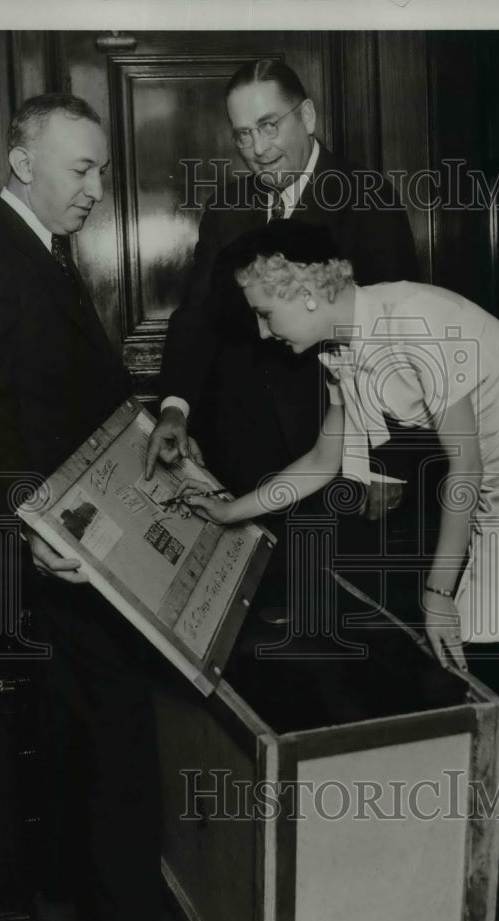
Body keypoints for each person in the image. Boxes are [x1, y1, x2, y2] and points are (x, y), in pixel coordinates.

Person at [175, 219, 499, 919]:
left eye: (264, 312)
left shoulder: (412, 321)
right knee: (483, 672)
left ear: (306, 290)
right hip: (492, 480)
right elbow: (324, 462)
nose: (261, 331)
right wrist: (231, 510)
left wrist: (439, 591)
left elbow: (464, 466)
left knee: (480, 661)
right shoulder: (342, 345)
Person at [0, 93, 182, 921]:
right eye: (82, 170)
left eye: (102, 171)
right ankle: (128, 918)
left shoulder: (38, 248)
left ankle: (97, 889)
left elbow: (76, 390)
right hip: (39, 539)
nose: (96, 189)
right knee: (113, 714)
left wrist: (154, 445)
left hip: (76, 521)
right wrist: (27, 525)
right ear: (22, 162)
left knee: (99, 712)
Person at [145, 59, 422, 618]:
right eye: (243, 134)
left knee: (339, 620)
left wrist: (387, 463)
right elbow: (196, 317)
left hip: (339, 451)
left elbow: (398, 336)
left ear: (308, 116)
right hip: (241, 454)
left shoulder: (368, 198)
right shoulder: (226, 209)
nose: (258, 149)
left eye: (269, 126)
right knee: (255, 622)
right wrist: (175, 408)